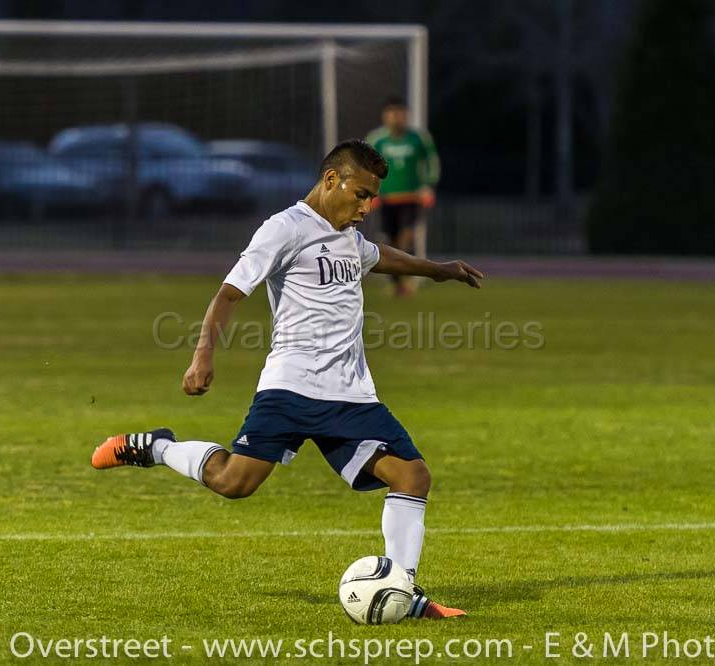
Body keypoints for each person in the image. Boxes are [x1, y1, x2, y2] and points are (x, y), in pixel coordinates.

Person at [91, 139, 482, 619]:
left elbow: (381, 257)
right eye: (361, 194)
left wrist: (439, 271)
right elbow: (230, 293)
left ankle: (402, 589)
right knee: (235, 482)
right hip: (291, 387)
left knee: (412, 475)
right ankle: (156, 447)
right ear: (331, 180)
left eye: (372, 198)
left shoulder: (349, 238)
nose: (367, 207)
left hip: (351, 396)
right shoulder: (284, 229)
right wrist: (202, 356)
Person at [366, 96, 440, 296]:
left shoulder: (418, 138)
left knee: (406, 237)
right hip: (386, 199)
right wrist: (370, 194)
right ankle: (396, 282)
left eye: (400, 114)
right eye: (392, 114)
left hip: (411, 198)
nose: (396, 118)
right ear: (385, 116)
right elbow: (367, 169)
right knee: (389, 241)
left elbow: (432, 162)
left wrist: (428, 187)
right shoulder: (376, 140)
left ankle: (411, 278)